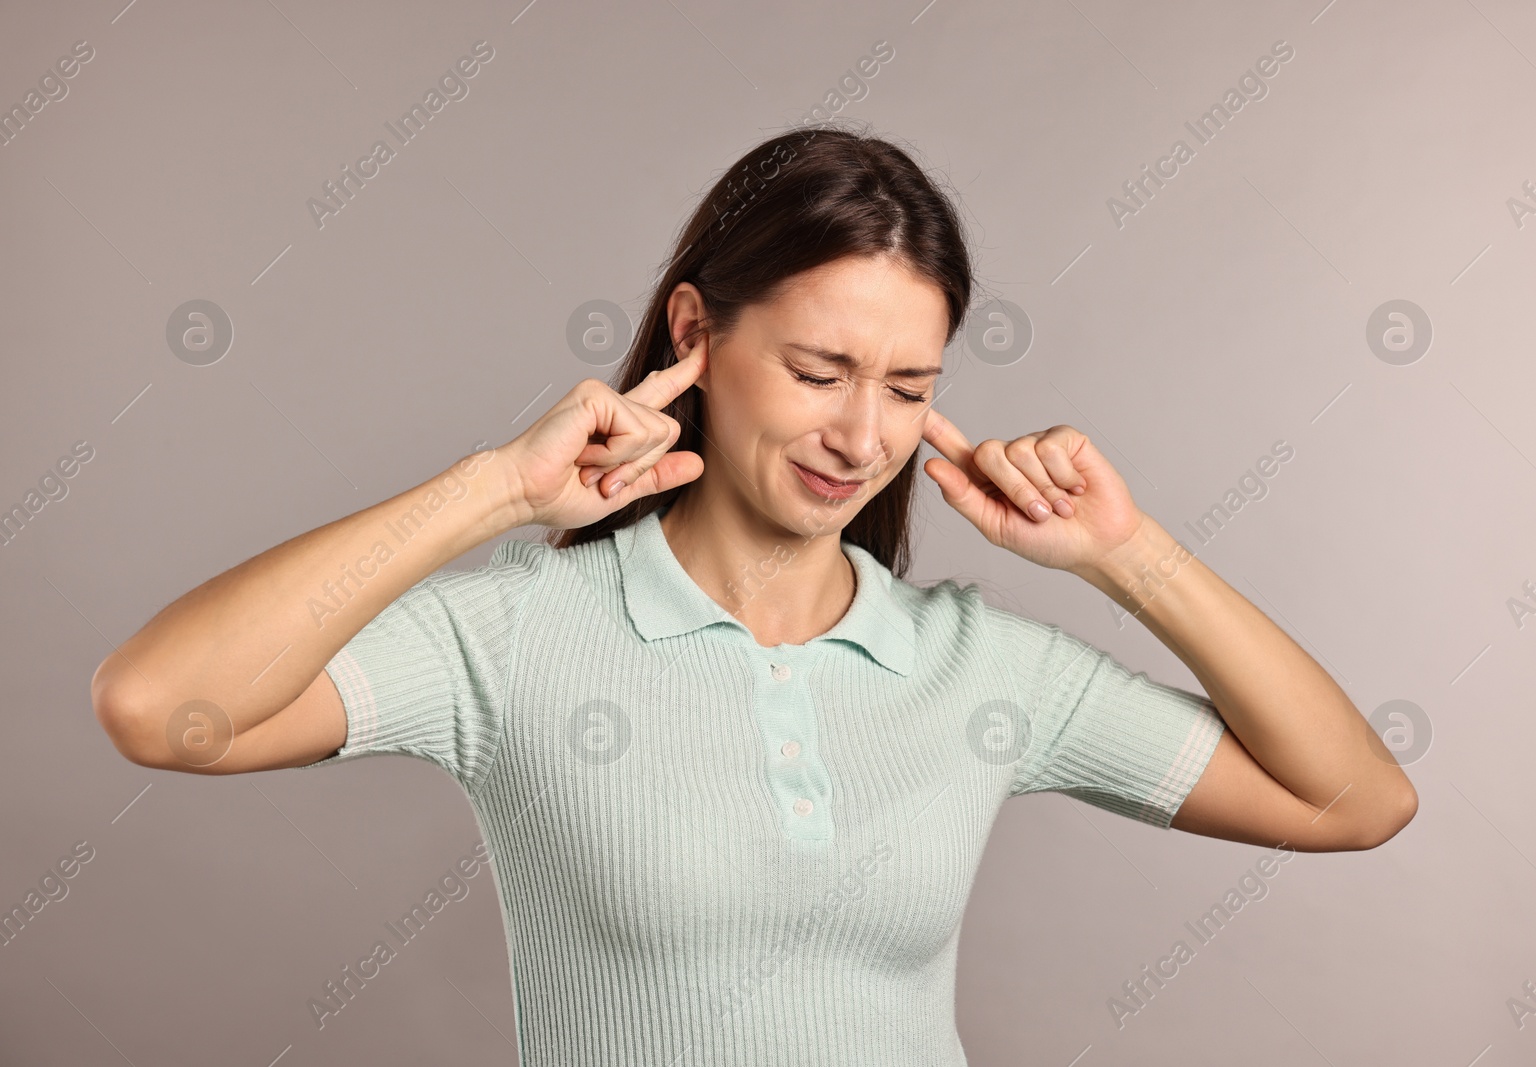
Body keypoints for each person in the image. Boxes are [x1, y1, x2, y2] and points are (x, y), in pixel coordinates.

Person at [90, 125, 1417, 1065]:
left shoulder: (976, 669)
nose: (861, 433)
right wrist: (495, 490)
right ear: (695, 337)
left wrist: (1126, 557)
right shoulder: (518, 638)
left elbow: (1356, 799)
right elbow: (160, 707)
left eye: (910, 389)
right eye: (821, 369)